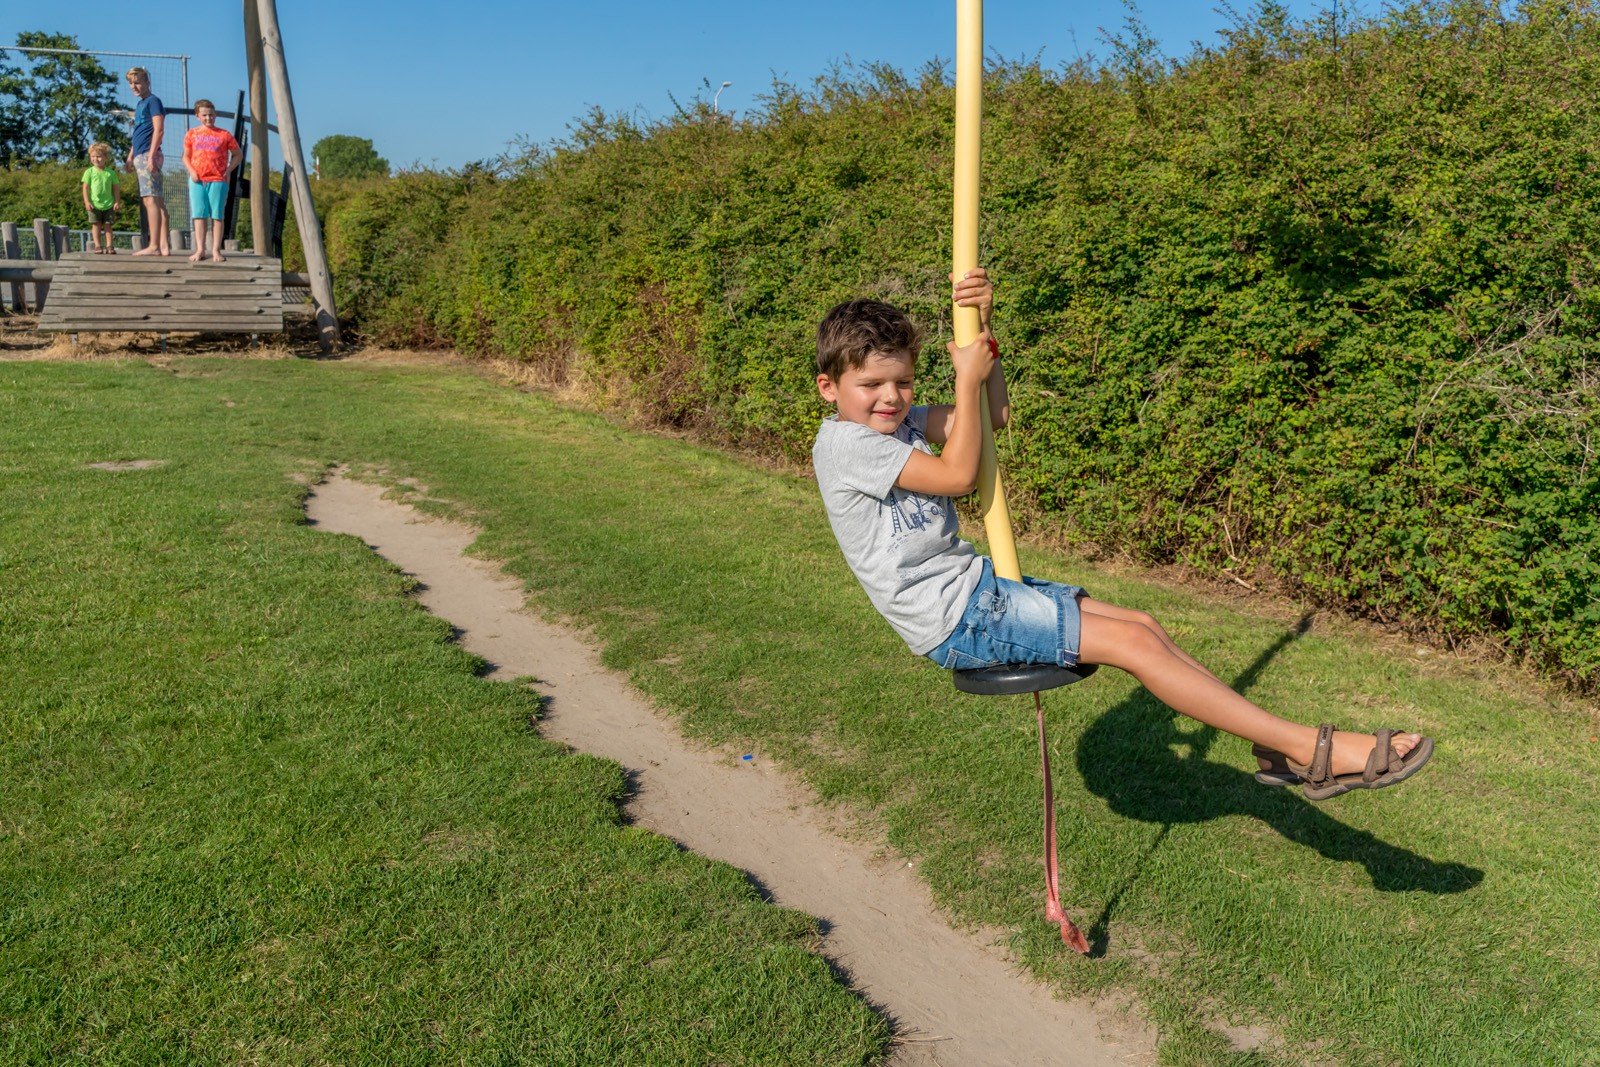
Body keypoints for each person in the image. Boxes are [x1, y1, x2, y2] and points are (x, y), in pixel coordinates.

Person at [811, 270, 1434, 801]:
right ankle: (1311, 751)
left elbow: (992, 419)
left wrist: (985, 338)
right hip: (953, 617)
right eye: (871, 385)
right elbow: (959, 475)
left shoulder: (898, 425)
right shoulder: (846, 445)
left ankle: (1274, 749)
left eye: (902, 382)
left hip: (978, 590)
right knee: (1136, 650)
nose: (891, 398)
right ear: (830, 386)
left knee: (1142, 626)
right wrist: (966, 382)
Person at [182, 100, 241, 263]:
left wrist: (228, 170)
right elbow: (186, 156)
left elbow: (238, 154)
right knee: (199, 215)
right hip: (197, 180)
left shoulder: (224, 134)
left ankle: (216, 250)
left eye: (211, 114)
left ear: (215, 114)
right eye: (205, 115)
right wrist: (192, 171)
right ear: (198, 116)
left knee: (217, 215)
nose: (209, 118)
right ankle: (200, 249)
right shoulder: (191, 134)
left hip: (218, 179)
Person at [125, 67, 169, 257]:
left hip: (148, 155)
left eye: (137, 82)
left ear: (147, 82)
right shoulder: (140, 104)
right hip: (140, 154)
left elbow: (158, 130)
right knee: (156, 200)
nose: (134, 86)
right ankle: (164, 245)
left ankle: (154, 245)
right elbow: (138, 133)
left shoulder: (153, 101)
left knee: (150, 200)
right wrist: (130, 156)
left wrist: (150, 156)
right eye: (131, 83)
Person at [81, 142, 122, 254]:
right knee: (96, 224)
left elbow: (116, 188)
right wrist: (87, 201)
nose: (96, 159)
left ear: (105, 158)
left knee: (108, 225)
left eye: (98, 156)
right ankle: (98, 246)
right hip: (94, 204)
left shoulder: (111, 173)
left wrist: (117, 201)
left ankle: (109, 246)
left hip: (109, 204)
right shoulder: (89, 172)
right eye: (93, 156)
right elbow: (85, 188)